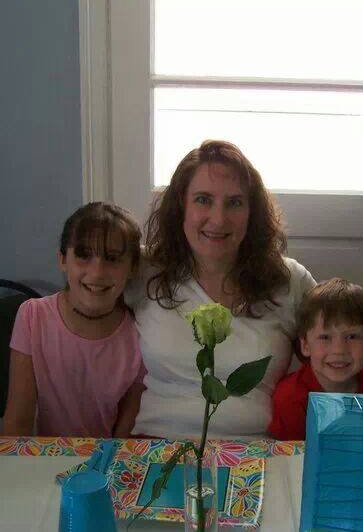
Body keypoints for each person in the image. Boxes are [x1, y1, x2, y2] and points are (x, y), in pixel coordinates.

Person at [128, 140, 316, 440]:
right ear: (181, 205)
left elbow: (339, 356)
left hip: (258, 452)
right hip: (156, 444)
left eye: (235, 203)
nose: (218, 219)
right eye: (203, 199)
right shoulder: (144, 269)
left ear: (252, 212)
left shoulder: (289, 279)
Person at [1, 202, 146, 438]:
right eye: (83, 255)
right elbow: (18, 420)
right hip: (42, 461)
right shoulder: (32, 316)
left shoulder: (139, 336)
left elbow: (124, 439)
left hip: (104, 464)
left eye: (112, 258)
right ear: (62, 259)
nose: (97, 272)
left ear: (133, 267)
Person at [267, 278, 363, 440]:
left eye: (352, 336)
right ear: (305, 345)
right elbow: (290, 459)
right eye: (325, 337)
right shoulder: (290, 399)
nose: (339, 350)